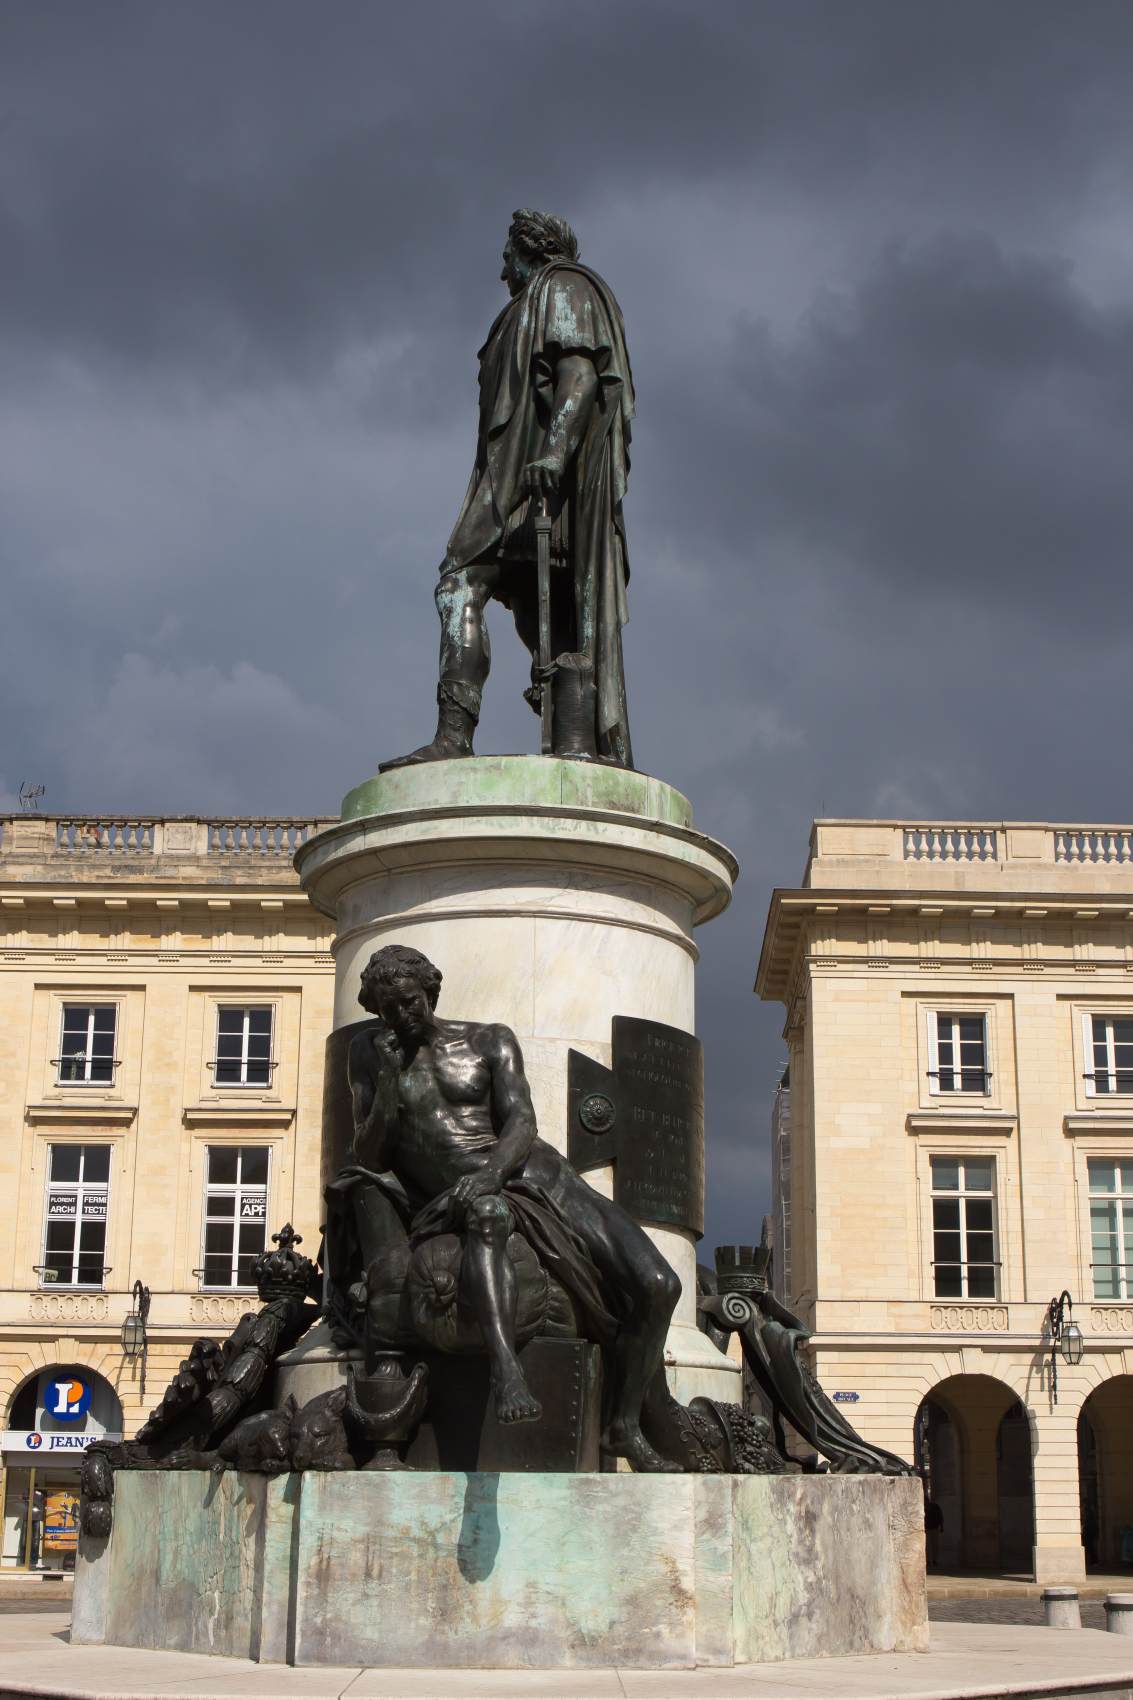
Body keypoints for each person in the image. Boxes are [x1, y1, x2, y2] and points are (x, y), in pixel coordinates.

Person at [343, 944, 680, 1471]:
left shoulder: (488, 1040)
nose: (401, 1016)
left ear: (429, 991)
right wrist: (387, 1082)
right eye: (387, 1008)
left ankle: (625, 1424)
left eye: (409, 1001)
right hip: (472, 1199)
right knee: (488, 1218)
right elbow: (368, 1153)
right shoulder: (369, 1054)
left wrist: (488, 1175)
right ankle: (509, 1373)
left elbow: (522, 1121)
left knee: (660, 1285)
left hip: (539, 1179)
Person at [382, 208, 635, 770]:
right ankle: (499, 734)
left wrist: (554, 450)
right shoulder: (521, 309)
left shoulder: (566, 288)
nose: (502, 273)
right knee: (522, 610)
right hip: (513, 479)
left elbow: (581, 376)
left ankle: (485, 736)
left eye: (506, 258)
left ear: (529, 250)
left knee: (461, 583)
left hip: (543, 483)